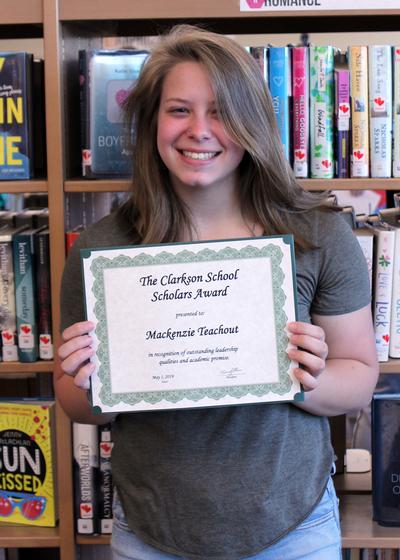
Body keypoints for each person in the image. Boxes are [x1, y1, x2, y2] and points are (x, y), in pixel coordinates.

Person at [56, 25, 379, 560]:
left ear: (252, 123)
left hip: (293, 533)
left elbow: (359, 378)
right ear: (152, 122)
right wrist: (87, 381)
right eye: (179, 110)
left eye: (222, 112)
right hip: (150, 535)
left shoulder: (318, 235)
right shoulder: (104, 249)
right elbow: (78, 404)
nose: (199, 131)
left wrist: (302, 377)